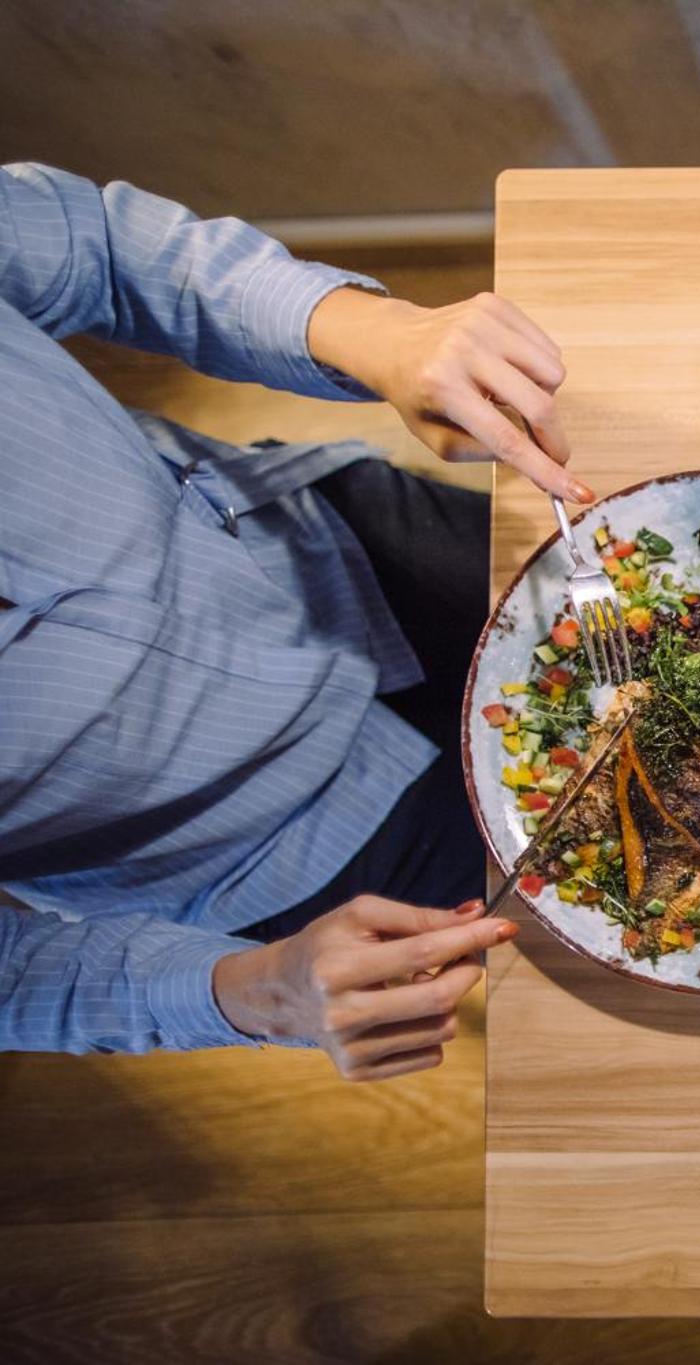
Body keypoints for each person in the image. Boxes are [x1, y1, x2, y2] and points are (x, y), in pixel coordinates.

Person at [0, 162, 589, 1080]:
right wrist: (255, 990)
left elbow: (96, 246)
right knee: (610, 893)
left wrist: (375, 332)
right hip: (283, 849)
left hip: (330, 544)